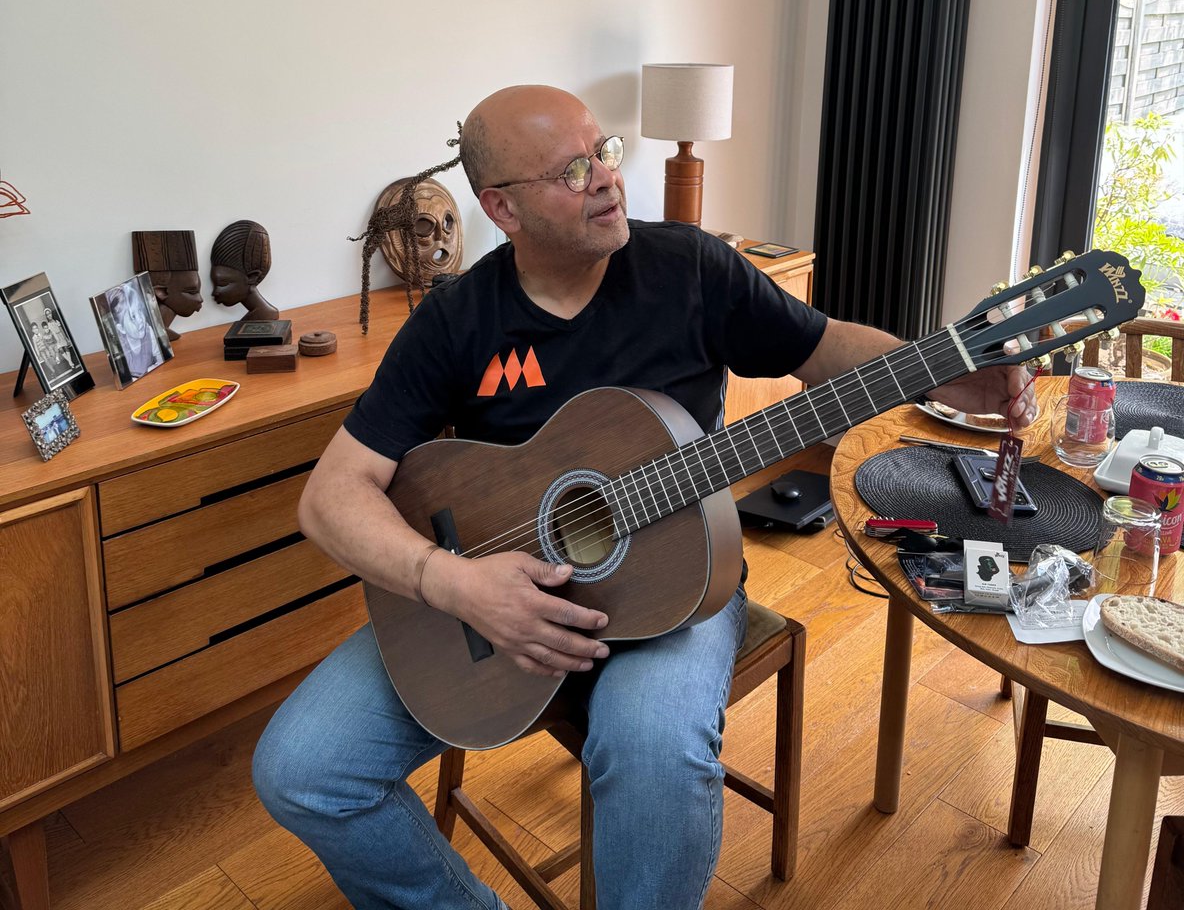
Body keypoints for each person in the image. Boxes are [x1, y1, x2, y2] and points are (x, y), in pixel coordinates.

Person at [253, 85, 1036, 910]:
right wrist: (453, 583)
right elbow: (330, 497)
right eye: (571, 169)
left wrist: (940, 368)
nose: (606, 179)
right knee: (301, 769)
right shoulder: (458, 319)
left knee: (652, 747)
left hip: (677, 588)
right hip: (483, 603)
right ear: (502, 209)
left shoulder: (690, 269)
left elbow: (824, 348)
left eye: (605, 152)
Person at [109, 281, 162, 379]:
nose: (140, 319)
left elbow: (160, 357)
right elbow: (123, 375)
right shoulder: (120, 344)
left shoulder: (148, 331)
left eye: (139, 311)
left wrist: (150, 370)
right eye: (132, 316)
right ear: (122, 329)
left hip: (153, 377)